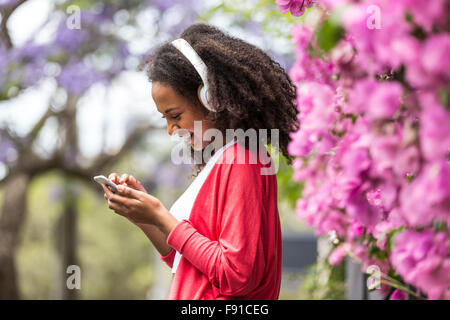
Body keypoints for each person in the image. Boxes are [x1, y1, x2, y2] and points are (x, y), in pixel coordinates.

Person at [102, 23, 299, 300]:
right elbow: (188, 264)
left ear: (209, 96)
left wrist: (160, 214)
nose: (171, 129)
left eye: (175, 115)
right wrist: (144, 217)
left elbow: (235, 275)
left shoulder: (241, 160)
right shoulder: (222, 161)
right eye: (165, 119)